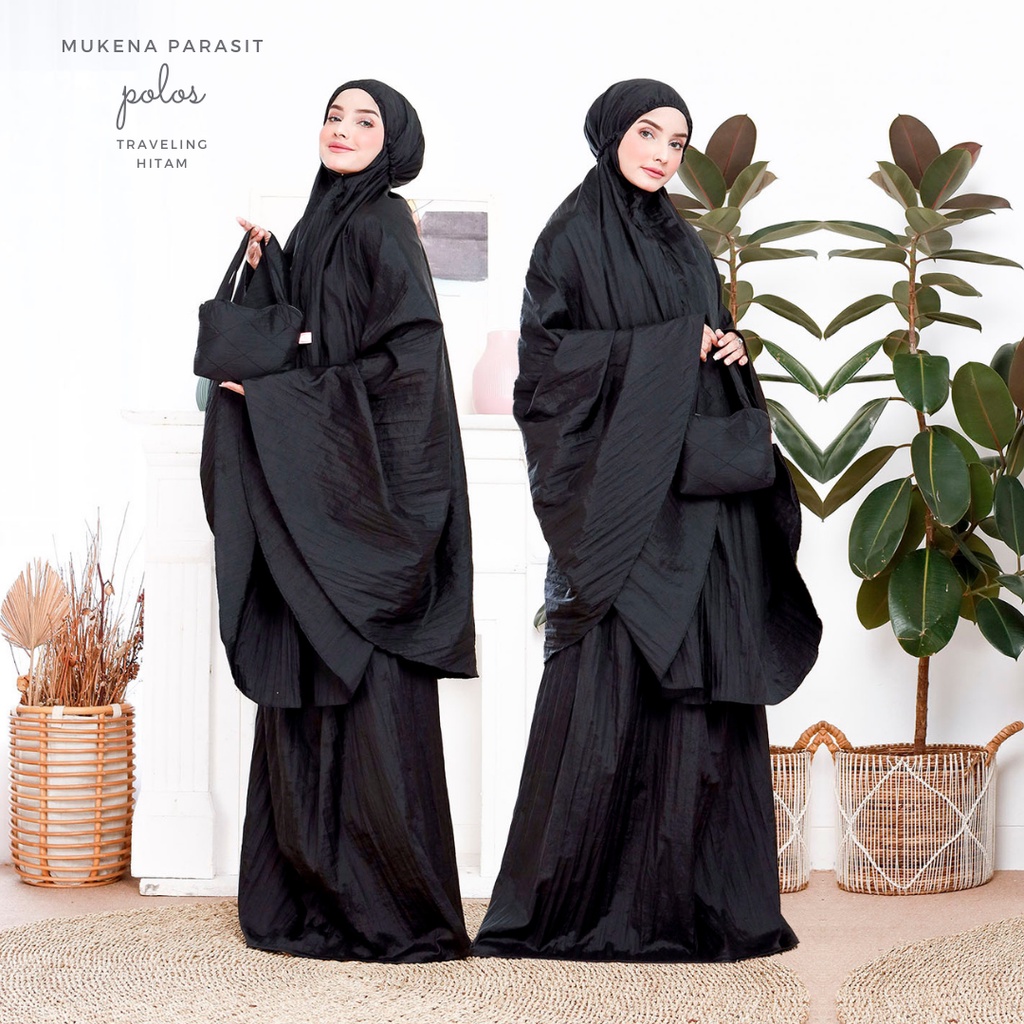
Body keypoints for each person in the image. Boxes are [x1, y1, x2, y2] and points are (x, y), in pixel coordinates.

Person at [472, 79, 821, 962]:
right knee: (605, 691)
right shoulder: (569, 237)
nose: (664, 153)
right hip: (618, 510)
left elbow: (707, 334)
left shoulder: (685, 240)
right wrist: (669, 349)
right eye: (648, 133)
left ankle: (697, 905)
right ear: (609, 134)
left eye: (677, 140)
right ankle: (577, 908)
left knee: (699, 693)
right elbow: (545, 370)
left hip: (697, 510)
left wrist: (727, 345)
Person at [199, 79, 476, 962]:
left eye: (366, 120)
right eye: (333, 115)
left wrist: (288, 401)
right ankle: (310, 897)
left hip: (363, 504)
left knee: (370, 702)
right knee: (308, 687)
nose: (343, 130)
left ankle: (389, 910)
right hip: (314, 494)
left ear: (395, 141)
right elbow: (311, 333)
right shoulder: (320, 222)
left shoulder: (384, 221)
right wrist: (267, 269)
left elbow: (411, 364)